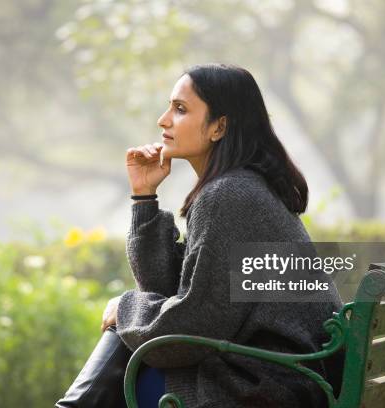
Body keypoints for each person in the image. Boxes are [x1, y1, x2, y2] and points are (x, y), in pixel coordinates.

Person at [100, 63, 343, 407]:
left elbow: (195, 326)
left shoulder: (230, 195)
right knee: (129, 349)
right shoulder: (239, 187)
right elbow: (170, 293)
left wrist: (124, 310)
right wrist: (144, 196)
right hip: (287, 379)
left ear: (219, 127)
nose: (163, 119)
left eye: (180, 109)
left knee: (124, 354)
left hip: (268, 387)